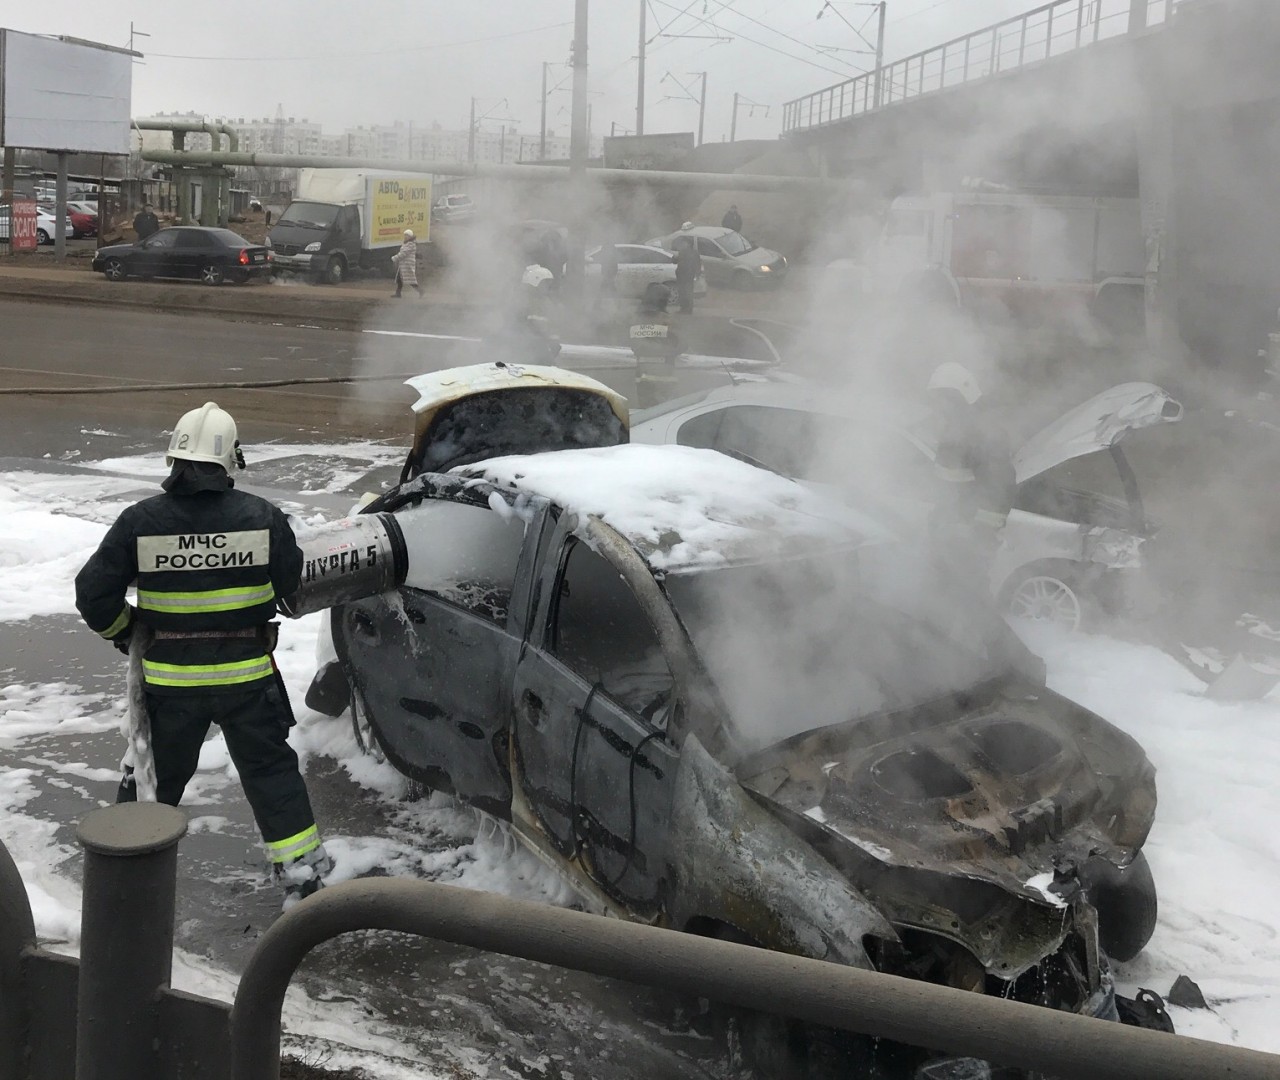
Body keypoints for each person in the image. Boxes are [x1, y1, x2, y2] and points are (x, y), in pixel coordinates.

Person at [74, 402, 331, 908]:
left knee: (150, 780)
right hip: (248, 681)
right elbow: (290, 584)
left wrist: (128, 633)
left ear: (174, 459)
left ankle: (120, 885)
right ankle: (302, 879)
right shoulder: (263, 517)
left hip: (170, 686)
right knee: (271, 775)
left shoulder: (140, 522)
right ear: (231, 459)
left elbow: (92, 594)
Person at [925, 362, 1016, 579]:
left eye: (943, 397)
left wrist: (976, 533)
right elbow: (949, 483)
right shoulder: (955, 430)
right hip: (951, 536)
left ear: (959, 398)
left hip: (969, 545)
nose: (938, 404)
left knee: (968, 600)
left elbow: (1000, 489)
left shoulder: (984, 434)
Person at [674, 236, 702, 315]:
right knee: (682, 292)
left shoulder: (694, 253)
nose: (682, 244)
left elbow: (697, 264)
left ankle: (688, 309)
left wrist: (697, 274)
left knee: (688, 292)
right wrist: (675, 257)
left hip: (689, 276)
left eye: (684, 242)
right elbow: (675, 261)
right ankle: (683, 308)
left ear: (688, 244)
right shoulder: (681, 251)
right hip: (680, 275)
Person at [392, 228, 422, 299]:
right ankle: (398, 293)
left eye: (407, 235)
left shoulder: (411, 244)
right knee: (400, 279)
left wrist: (394, 258)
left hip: (407, 265)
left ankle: (421, 291)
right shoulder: (407, 243)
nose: (405, 236)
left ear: (410, 236)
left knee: (411, 280)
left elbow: (403, 253)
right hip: (403, 265)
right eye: (405, 235)